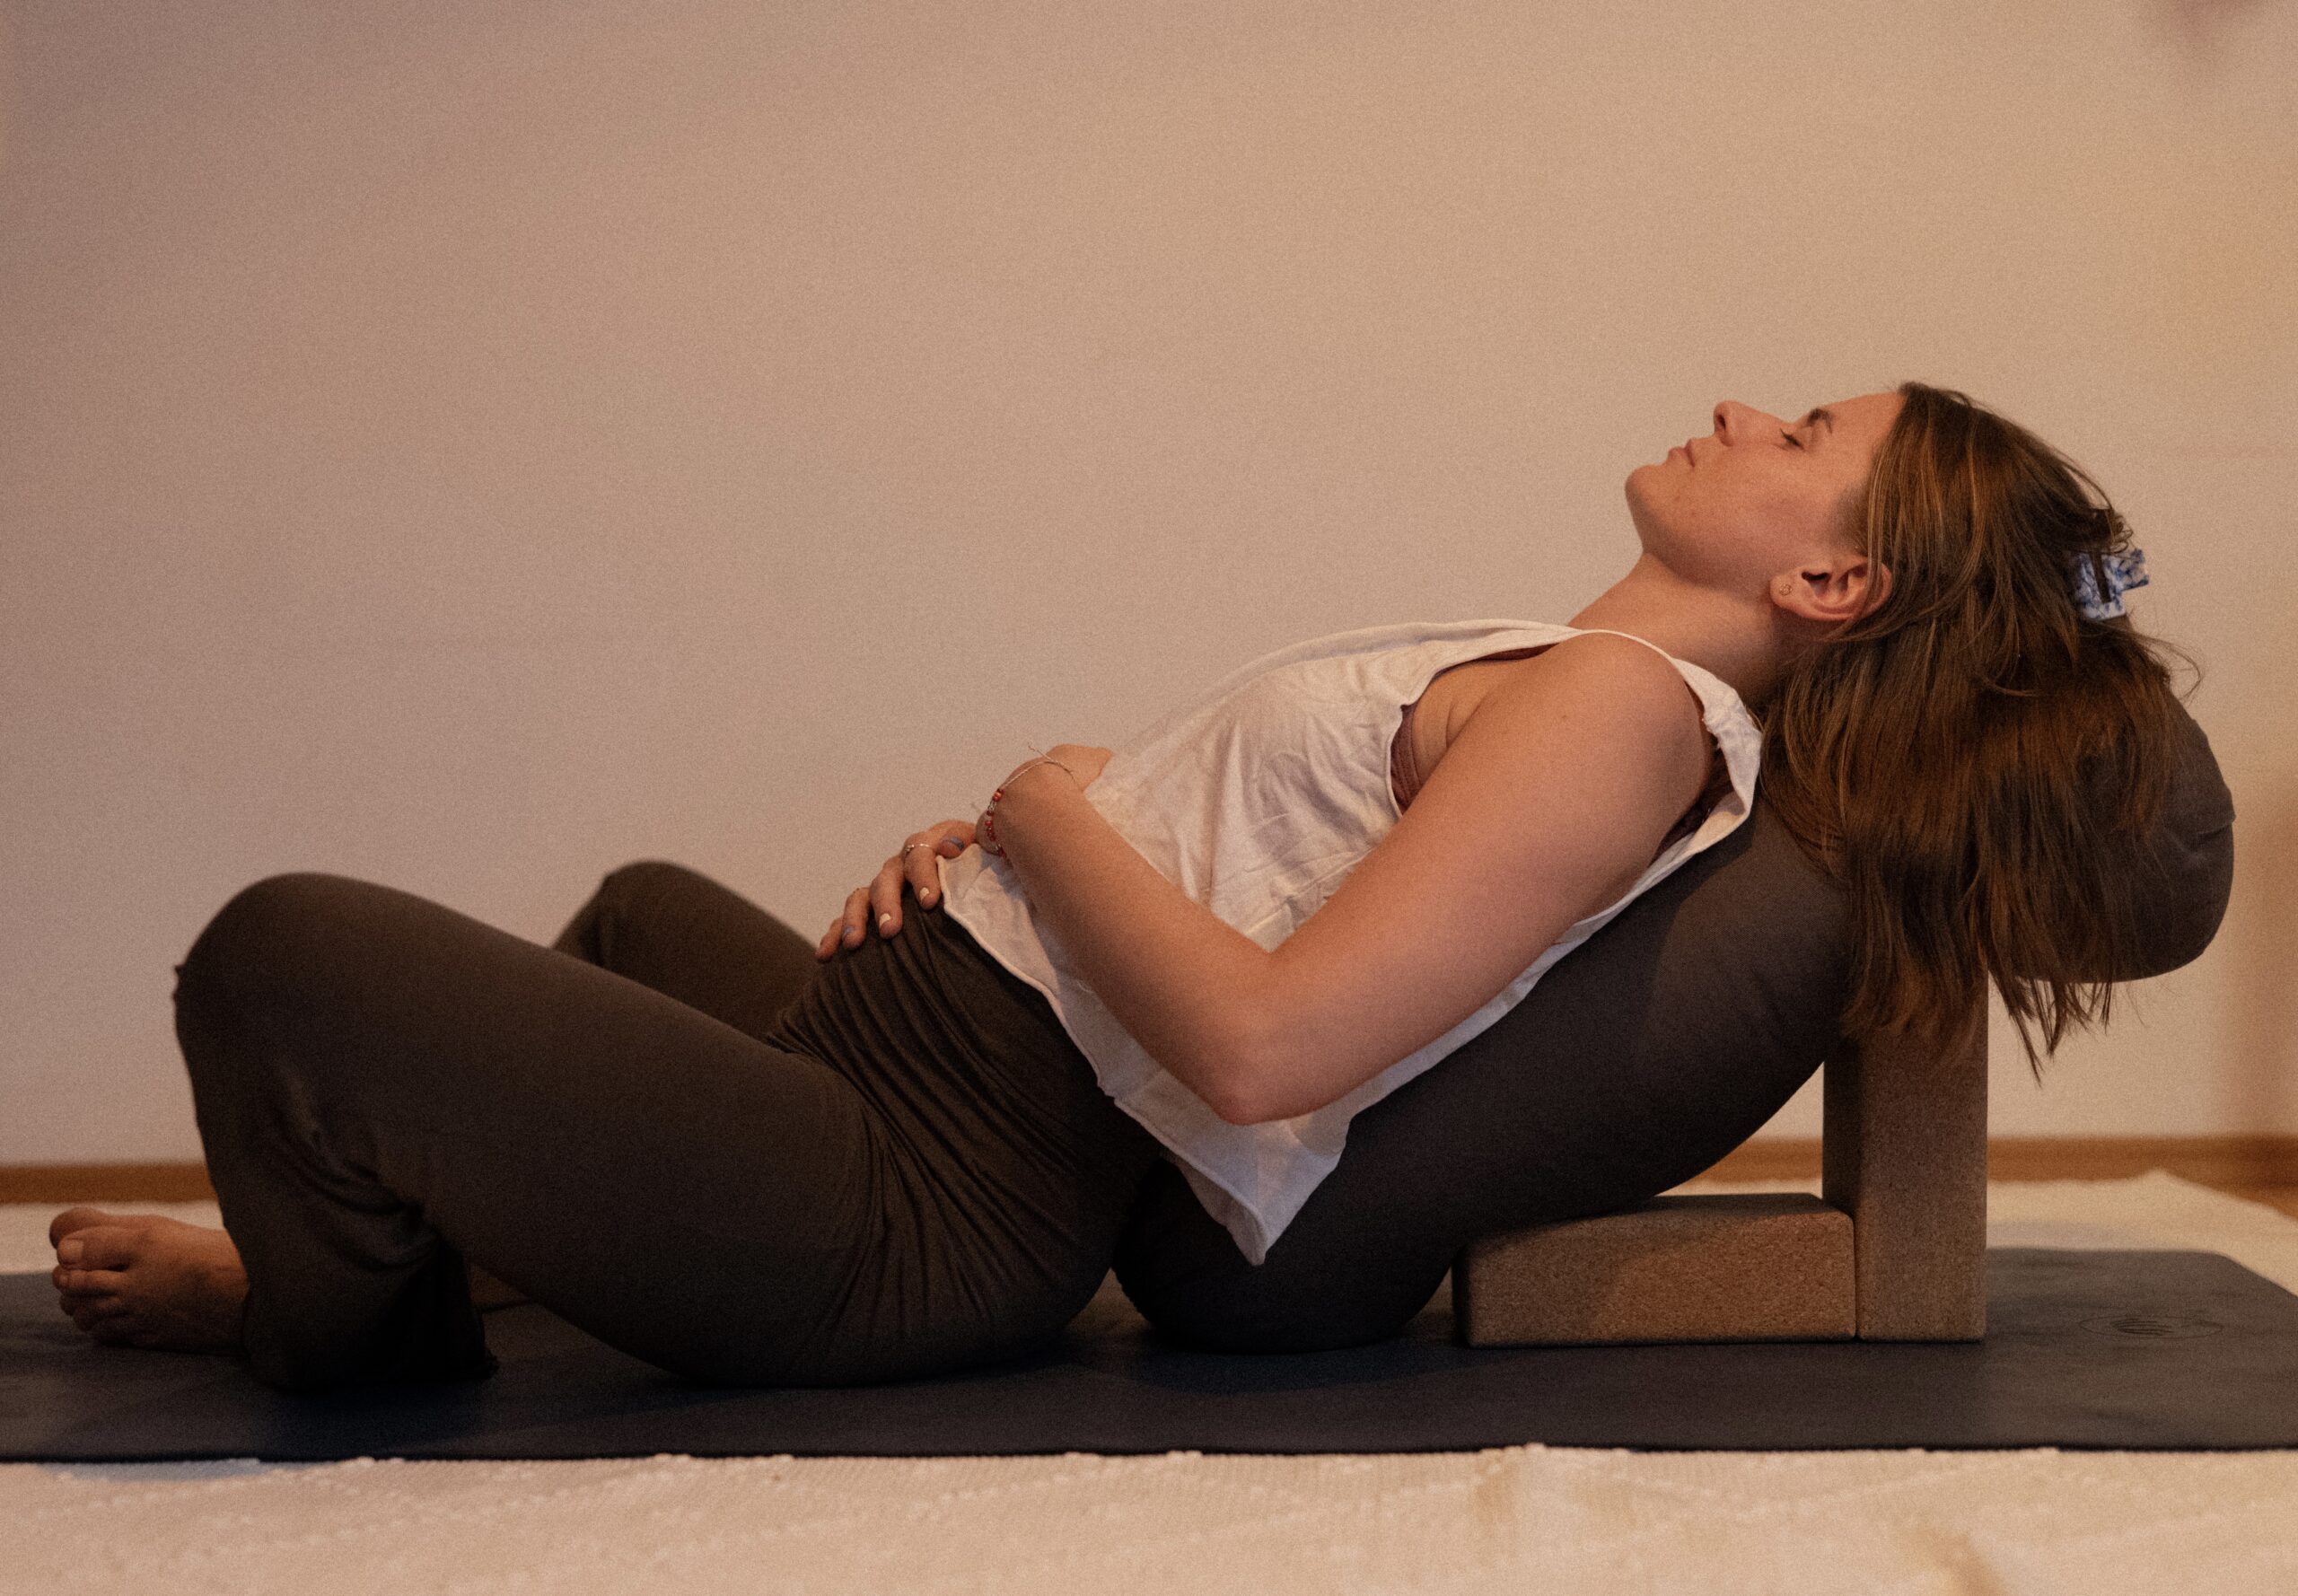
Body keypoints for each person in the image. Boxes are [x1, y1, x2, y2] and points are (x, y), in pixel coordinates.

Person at [48, 382, 2188, 1390]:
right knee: (637, 913)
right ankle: (454, 1254)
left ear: (1833, 579)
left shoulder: (1625, 719)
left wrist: (1039, 810)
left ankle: (339, 1325)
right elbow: (1224, 881)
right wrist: (1008, 869)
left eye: (1798, 427)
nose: (1734, 403)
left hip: (920, 1198)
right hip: (905, 1079)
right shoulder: (1575, 677)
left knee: (286, 959)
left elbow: (1267, 1054)